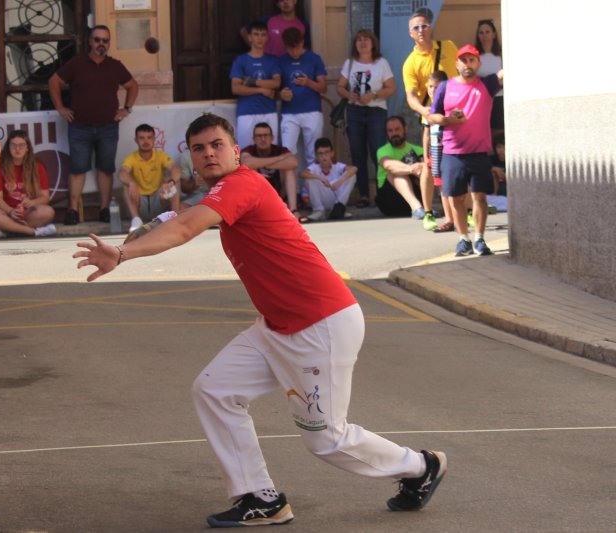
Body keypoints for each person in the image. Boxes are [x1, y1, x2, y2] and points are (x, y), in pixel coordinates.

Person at [73, 113, 447, 527]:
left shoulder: (242, 184)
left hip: (321, 324)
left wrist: (123, 254)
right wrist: (151, 226)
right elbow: (182, 218)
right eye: (199, 148)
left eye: (217, 145)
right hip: (275, 328)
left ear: (236, 151)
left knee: (325, 439)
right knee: (214, 391)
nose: (209, 153)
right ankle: (259, 497)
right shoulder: (223, 189)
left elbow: (186, 228)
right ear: (193, 158)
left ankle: (420, 467)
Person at [49, 24, 138, 226]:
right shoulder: (76, 64)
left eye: (105, 41)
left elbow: (132, 85)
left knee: (105, 169)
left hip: (108, 126)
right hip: (80, 126)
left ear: (109, 43)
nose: (101, 44)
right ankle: (72, 211)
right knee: (78, 169)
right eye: (97, 40)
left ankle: (104, 209)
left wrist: (127, 108)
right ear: (90, 42)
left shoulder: (115, 66)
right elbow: (54, 82)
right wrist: (61, 108)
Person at [428, 44, 503, 257]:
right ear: (457, 63)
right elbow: (432, 116)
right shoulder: (445, 87)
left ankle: (479, 239)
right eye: (464, 60)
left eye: (472, 60)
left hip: (479, 151)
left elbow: (504, 74)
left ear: (478, 63)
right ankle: (463, 239)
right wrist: (447, 120)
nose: (467, 64)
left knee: (479, 196)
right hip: (452, 151)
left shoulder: (486, 85)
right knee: (456, 198)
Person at [402, 8, 458, 231]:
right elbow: (411, 96)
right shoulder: (410, 63)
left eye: (424, 25)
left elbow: (461, 74)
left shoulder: (449, 47)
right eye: (416, 28)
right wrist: (427, 114)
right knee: (428, 164)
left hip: (456, 117)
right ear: (411, 34)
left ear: (430, 27)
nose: (421, 30)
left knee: (458, 164)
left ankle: (465, 212)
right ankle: (427, 212)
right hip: (432, 120)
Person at [336, 29, 394, 209]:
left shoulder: (381, 63)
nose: (362, 43)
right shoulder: (350, 63)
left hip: (376, 112)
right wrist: (348, 95)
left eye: (366, 39)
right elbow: (340, 87)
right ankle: (363, 195)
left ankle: (382, 193)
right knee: (357, 153)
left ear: (373, 43)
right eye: (359, 40)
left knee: (378, 153)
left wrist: (374, 95)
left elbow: (391, 88)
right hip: (355, 112)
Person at [0, 129, 57, 238]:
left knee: (48, 212)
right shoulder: (0, 166)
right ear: (8, 147)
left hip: (28, 212)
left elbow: (44, 197)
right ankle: (32, 232)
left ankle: (8, 230)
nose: (17, 149)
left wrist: (33, 202)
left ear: (27, 148)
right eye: (13, 145)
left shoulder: (37, 166)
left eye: (21, 145)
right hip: (7, 213)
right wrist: (10, 211)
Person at [279, 27, 327, 170]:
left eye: (298, 47)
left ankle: (310, 191)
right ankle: (293, 191)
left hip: (312, 110)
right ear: (285, 46)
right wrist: (281, 93)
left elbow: (324, 88)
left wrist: (308, 82)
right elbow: (276, 87)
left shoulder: (314, 59)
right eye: (290, 49)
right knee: (287, 152)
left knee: (313, 153)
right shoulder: (281, 61)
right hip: (289, 112)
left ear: (302, 42)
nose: (294, 52)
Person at [117, 123, 180, 232]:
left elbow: (176, 169)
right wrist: (132, 183)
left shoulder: (161, 156)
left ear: (154, 139)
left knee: (176, 183)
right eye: (142, 138)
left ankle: (175, 218)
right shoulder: (131, 158)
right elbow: (122, 173)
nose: (146, 141)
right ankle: (136, 220)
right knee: (126, 185)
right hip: (140, 202)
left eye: (149, 138)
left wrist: (171, 182)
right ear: (136, 140)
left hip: (158, 200)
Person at [230, 19, 281, 150]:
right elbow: (236, 88)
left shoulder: (272, 60)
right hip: (247, 112)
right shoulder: (241, 60)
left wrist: (253, 82)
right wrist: (262, 90)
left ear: (267, 38)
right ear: (249, 37)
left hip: (269, 111)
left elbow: (276, 82)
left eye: (263, 34)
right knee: (246, 152)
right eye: (256, 34)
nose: (260, 38)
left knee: (272, 150)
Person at [239, 122, 298, 214]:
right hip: (260, 193)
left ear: (272, 138)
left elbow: (294, 163)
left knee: (289, 170)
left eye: (266, 135)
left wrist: (260, 163)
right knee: (250, 170)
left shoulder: (279, 149)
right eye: (259, 136)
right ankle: (256, 209)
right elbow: (246, 163)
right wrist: (280, 159)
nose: (263, 139)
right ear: (254, 139)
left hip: (279, 191)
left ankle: (293, 211)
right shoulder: (249, 150)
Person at [375, 116, 425, 218]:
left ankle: (426, 208)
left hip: (416, 194)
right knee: (395, 173)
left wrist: (422, 166)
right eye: (390, 131)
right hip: (389, 200)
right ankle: (417, 208)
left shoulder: (418, 149)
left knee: (426, 171)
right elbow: (388, 164)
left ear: (405, 129)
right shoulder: (382, 150)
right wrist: (411, 169)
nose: (394, 133)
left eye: (397, 129)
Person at [426, 70, 456, 233]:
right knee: (441, 186)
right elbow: (426, 134)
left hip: (449, 150)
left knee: (453, 185)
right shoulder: (428, 110)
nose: (433, 91)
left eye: (437, 87)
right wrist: (426, 156)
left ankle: (460, 216)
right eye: (430, 87)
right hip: (435, 151)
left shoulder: (449, 107)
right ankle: (449, 219)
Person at [299, 137, 356, 222]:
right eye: (320, 154)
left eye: (326, 153)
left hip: (335, 198)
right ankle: (319, 211)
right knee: (309, 178)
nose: (324, 156)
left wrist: (340, 182)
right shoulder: (314, 167)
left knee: (351, 176)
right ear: (316, 155)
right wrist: (320, 178)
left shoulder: (337, 165)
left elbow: (354, 168)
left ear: (332, 153)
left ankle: (339, 208)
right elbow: (302, 174)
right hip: (321, 198)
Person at [240, 0, 311, 57]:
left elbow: (306, 49)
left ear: (295, 1)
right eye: (281, 0)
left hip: (290, 68)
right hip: (268, 66)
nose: (285, 2)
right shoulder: (268, 20)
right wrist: (256, 49)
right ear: (278, 4)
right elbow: (244, 31)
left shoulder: (303, 25)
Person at [474, 19, 504, 137]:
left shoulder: (501, 55)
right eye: (481, 33)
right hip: (481, 99)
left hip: (499, 99)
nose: (484, 35)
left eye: (487, 32)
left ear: (494, 34)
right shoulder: (475, 56)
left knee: (498, 132)